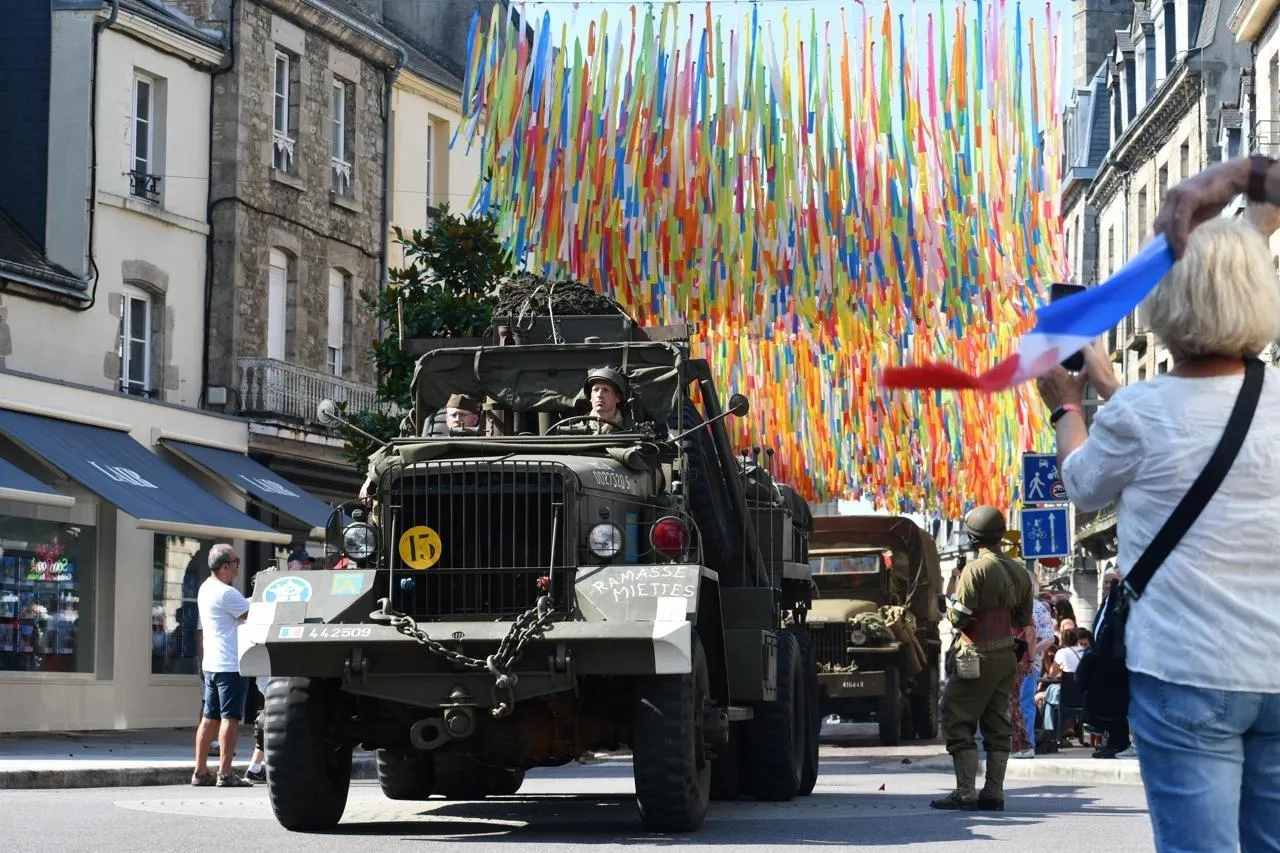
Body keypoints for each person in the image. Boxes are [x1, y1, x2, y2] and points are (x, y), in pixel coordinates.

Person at [1036, 215, 1280, 853]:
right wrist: (1113, 386)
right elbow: (1198, 425)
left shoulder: (1139, 414)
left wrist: (1067, 406)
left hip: (1184, 667)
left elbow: (1084, 482)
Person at [931, 505, 1035, 812]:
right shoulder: (1020, 572)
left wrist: (948, 609)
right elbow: (1023, 618)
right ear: (1001, 534)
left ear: (973, 537)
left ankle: (965, 792)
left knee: (956, 717)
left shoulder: (974, 570)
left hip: (977, 655)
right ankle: (994, 792)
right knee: (997, 722)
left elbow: (960, 618)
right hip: (1006, 655)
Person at [192, 544, 253, 787]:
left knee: (209, 718)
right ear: (225, 566)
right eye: (237, 562)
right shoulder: (227, 593)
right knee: (230, 718)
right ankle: (225, 773)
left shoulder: (206, 588)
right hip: (230, 665)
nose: (239, 566)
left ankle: (200, 771)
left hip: (212, 663)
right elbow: (253, 614)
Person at [582, 367, 635, 434]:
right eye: (596, 390)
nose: (599, 395)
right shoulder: (576, 430)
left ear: (618, 398)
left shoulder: (631, 430)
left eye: (605, 390)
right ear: (591, 397)